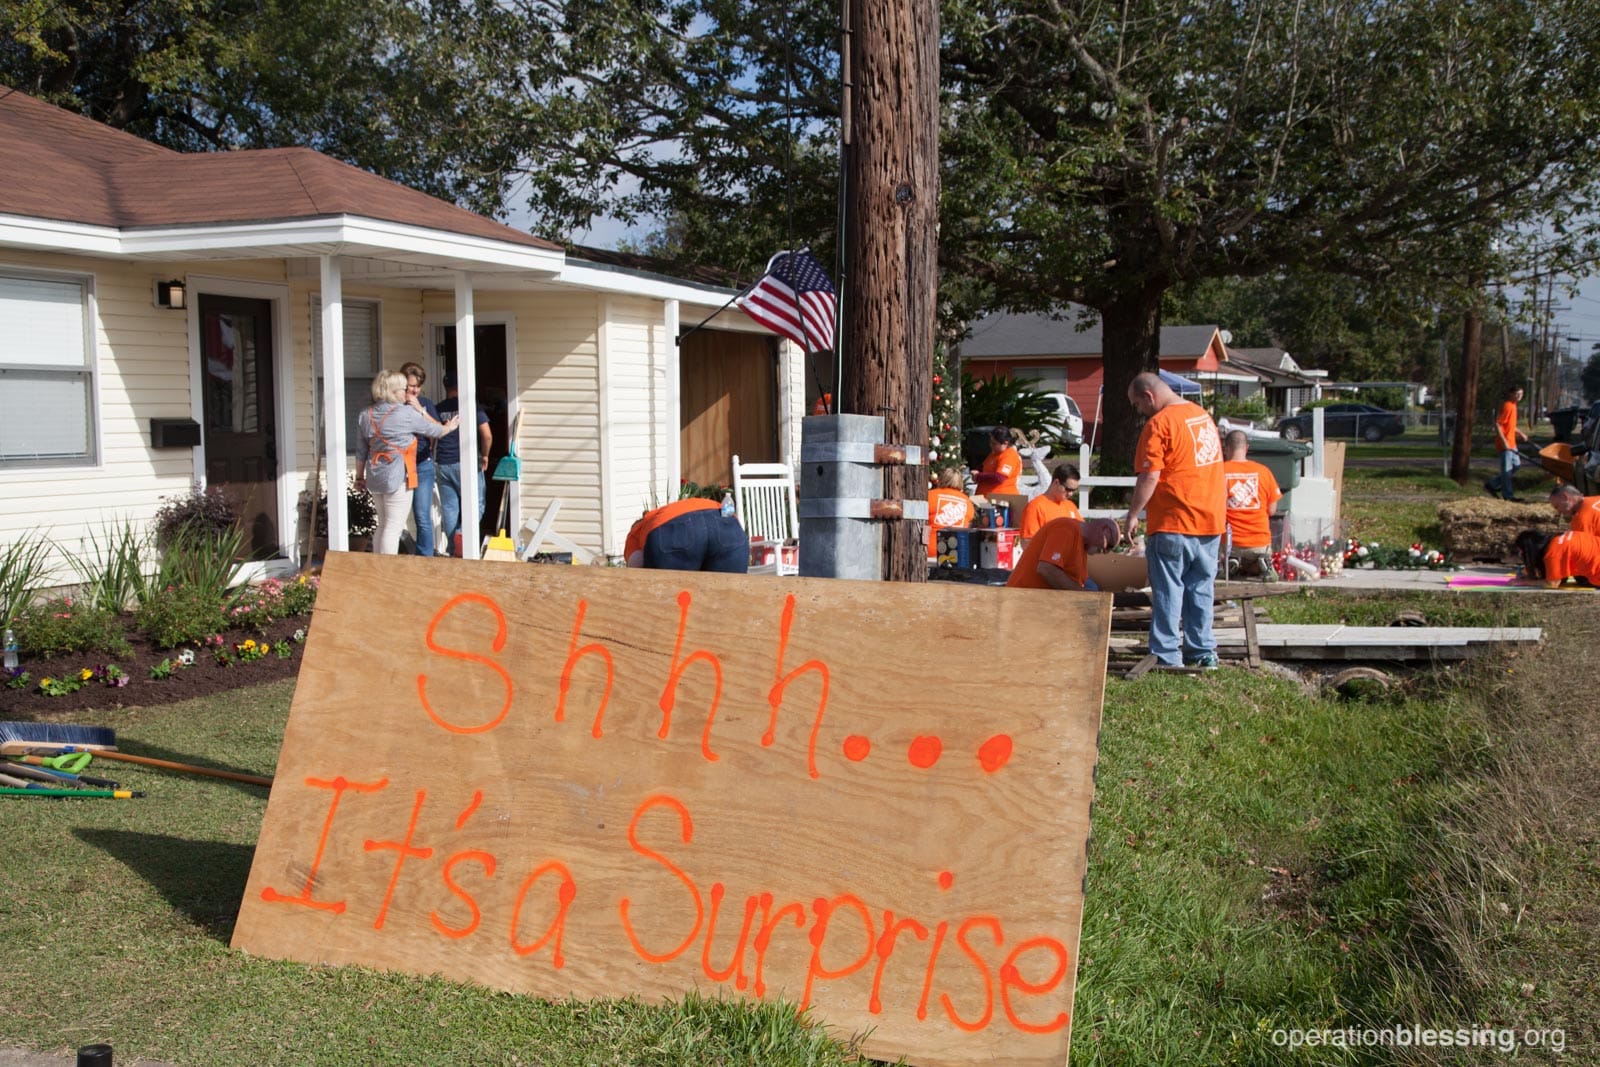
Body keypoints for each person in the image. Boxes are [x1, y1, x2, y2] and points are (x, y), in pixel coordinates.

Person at [1123, 370, 1227, 669]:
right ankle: (1202, 651)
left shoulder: (1159, 424)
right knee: (1201, 589)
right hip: (1209, 520)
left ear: (1149, 396)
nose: (1139, 411)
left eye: (1137, 405)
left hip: (1173, 522)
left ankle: (1168, 655)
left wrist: (1133, 514)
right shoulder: (1201, 416)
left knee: (1169, 591)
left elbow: (1150, 474)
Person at [356, 370, 459, 555]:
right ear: (394, 391)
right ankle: (387, 569)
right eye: (404, 389)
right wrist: (449, 427)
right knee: (394, 526)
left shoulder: (366, 414)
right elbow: (435, 431)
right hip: (398, 477)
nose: (407, 393)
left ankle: (377, 566)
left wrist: (358, 477)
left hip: (375, 476)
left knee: (383, 523)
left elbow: (361, 451)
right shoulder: (405, 413)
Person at [433, 372, 493, 557]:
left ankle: (454, 550)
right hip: (465, 463)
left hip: (442, 464)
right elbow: (487, 435)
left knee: (450, 508)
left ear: (446, 388)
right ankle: (462, 534)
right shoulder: (470, 407)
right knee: (477, 504)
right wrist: (485, 455)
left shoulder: (437, 409)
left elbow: (433, 436)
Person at [1221, 430, 1282, 580]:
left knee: (1233, 556)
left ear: (1226, 448)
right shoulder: (1264, 471)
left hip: (1230, 542)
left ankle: (1232, 561)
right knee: (1256, 560)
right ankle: (1262, 560)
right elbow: (1272, 510)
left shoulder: (1219, 471)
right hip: (1259, 541)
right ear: (1246, 448)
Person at [624, 499, 749, 572]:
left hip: (672, 528)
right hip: (726, 521)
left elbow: (636, 567)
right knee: (728, 598)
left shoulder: (636, 530)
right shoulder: (665, 510)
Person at [1006, 517, 1121, 591]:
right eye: (1109, 545)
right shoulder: (1066, 528)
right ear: (1103, 529)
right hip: (1022, 601)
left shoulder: (1081, 546)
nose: (1106, 552)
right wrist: (1082, 596)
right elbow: (1046, 569)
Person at [400, 362, 442, 557]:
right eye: (411, 385)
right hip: (398, 466)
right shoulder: (395, 404)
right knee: (395, 516)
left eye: (418, 386)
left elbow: (439, 430)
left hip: (422, 464)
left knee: (422, 515)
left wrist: (420, 410)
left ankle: (425, 558)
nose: (415, 390)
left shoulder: (425, 403)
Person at [1514, 528, 1600, 587]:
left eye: (1521, 552)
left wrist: (1524, 582)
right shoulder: (1559, 538)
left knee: (1582, 580)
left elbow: (1552, 583)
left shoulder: (1553, 553)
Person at [1019, 464, 1082, 545]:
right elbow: (1027, 543)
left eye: (1074, 490)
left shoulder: (1070, 506)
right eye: (1068, 489)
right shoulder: (1035, 507)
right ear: (1056, 482)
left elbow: (1083, 531)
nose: (1071, 494)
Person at [1486, 386, 1528, 500]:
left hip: (1512, 443)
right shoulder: (1507, 406)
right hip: (1505, 444)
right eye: (1517, 394)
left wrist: (1521, 433)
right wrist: (1503, 441)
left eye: (1521, 394)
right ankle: (1508, 495)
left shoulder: (1514, 406)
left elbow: (1511, 426)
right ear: (1511, 394)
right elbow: (1498, 424)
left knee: (1516, 465)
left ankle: (1493, 484)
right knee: (1507, 470)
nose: (1519, 396)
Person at [926, 467, 976, 559]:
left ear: (941, 479)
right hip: (958, 554)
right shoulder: (967, 502)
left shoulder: (929, 496)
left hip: (931, 552)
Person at [973, 426, 1023, 498]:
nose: (991, 445)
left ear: (1005, 443)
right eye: (990, 442)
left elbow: (1000, 477)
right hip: (985, 499)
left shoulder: (1009, 455)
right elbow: (983, 468)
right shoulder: (994, 454)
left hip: (1000, 501)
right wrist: (976, 471)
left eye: (994, 443)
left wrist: (978, 476)